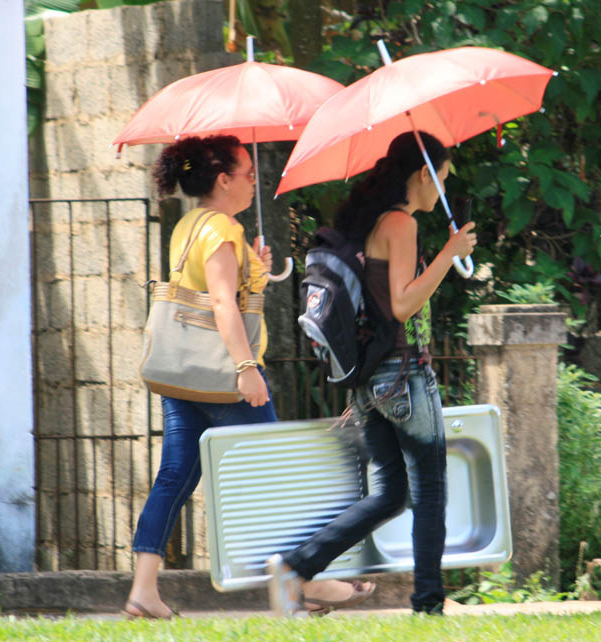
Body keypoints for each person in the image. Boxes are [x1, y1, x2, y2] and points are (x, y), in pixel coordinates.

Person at [124, 135, 375, 619]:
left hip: (183, 377)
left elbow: (217, 290)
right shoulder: (220, 228)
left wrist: (252, 268)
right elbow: (220, 304)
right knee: (273, 478)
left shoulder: (191, 225)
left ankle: (143, 591)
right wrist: (246, 368)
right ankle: (307, 584)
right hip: (223, 375)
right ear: (223, 180)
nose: (253, 183)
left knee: (174, 477)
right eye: (247, 175)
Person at [267, 131, 477, 616]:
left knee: (391, 495)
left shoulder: (365, 222)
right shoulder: (399, 223)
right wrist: (448, 253)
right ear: (423, 174)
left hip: (368, 384)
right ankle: (428, 606)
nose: (443, 189)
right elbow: (403, 305)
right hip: (404, 377)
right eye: (442, 178)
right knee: (430, 493)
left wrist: (444, 256)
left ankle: (297, 566)